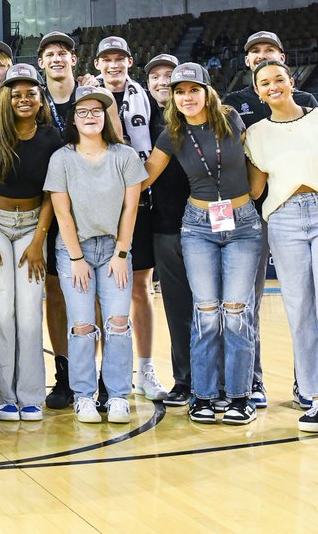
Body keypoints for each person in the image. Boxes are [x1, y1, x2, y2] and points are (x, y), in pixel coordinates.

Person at [245, 60, 318, 436]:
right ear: (259, 91)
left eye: (278, 79)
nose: (273, 86)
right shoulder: (256, 134)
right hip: (283, 220)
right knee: (300, 311)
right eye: (264, 83)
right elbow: (253, 190)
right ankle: (316, 398)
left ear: (291, 82)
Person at [142, 63, 262, 425]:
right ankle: (205, 395)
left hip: (241, 224)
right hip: (197, 225)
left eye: (194, 90)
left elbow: (257, 160)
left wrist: (252, 196)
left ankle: (240, 395)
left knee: (237, 311)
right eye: (180, 92)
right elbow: (145, 176)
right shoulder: (171, 134)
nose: (187, 97)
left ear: (208, 92)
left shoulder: (232, 120)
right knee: (206, 312)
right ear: (173, 98)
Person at [223, 30, 318, 408]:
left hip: (295, 209)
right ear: (247, 61)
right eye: (255, 52)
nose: (262, 55)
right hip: (252, 213)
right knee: (249, 301)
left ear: (283, 58)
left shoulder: (308, 102)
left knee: (303, 299)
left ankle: (307, 382)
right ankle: (254, 379)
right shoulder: (233, 103)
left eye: (270, 51)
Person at [44, 86, 147, 424]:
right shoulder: (62, 158)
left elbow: (131, 208)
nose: (90, 117)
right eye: (83, 112)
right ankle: (84, 395)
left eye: (97, 111)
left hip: (115, 249)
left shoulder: (125, 156)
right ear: (73, 119)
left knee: (118, 322)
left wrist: (121, 252)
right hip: (76, 251)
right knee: (83, 325)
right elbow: (62, 212)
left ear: (106, 117)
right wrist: (76, 258)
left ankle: (117, 395)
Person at [0, 62, 62, 422]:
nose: (24, 99)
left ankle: (31, 394)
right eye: (16, 93)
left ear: (40, 98)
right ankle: (4, 395)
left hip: (32, 227)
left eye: (31, 93)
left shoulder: (52, 137)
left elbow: (53, 193)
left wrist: (39, 240)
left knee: (28, 312)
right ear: (5, 97)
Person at [93, 35, 165, 403]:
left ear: (130, 61)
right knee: (105, 295)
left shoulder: (147, 97)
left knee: (140, 289)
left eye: (119, 58)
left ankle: (147, 368)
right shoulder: (87, 98)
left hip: (141, 203)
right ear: (97, 66)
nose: (114, 64)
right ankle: (107, 372)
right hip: (101, 207)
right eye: (107, 59)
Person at [36, 31, 90, 409]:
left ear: (74, 60)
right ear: (42, 63)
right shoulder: (33, 103)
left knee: (94, 296)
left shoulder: (90, 98)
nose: (57, 58)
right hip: (49, 209)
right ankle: (65, 374)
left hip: (89, 210)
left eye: (63, 53)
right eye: (50, 53)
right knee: (54, 296)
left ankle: (94, 371)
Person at [142, 53, 195, 406]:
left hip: (209, 228)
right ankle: (186, 380)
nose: (162, 81)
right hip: (165, 226)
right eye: (155, 77)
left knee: (220, 307)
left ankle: (235, 382)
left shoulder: (204, 119)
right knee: (178, 309)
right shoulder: (141, 122)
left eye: (169, 77)